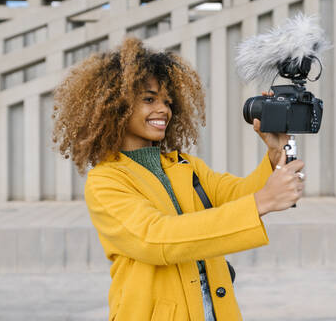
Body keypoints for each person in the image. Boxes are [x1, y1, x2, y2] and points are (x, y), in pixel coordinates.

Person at [52, 37, 305, 321]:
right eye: (149, 99)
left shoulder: (185, 165)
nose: (163, 110)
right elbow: (156, 238)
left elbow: (238, 194)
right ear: (117, 106)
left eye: (167, 102)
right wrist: (262, 201)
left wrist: (273, 155)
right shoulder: (106, 181)